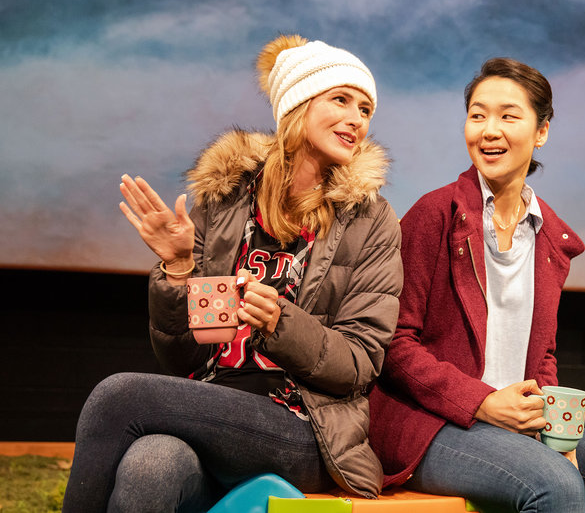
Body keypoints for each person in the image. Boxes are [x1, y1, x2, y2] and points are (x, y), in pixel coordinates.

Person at [62, 34, 402, 512]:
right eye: (341, 100)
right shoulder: (225, 201)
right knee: (152, 463)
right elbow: (180, 360)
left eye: (365, 109)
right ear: (297, 105)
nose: (357, 119)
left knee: (116, 397)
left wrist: (280, 323)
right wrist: (179, 268)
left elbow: (360, 365)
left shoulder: (370, 219)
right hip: (211, 403)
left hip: (305, 426)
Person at [368, 58, 585, 512]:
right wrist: (482, 402)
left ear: (542, 130)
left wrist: (557, 428)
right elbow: (394, 345)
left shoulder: (549, 234)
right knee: (556, 486)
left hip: (519, 424)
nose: (489, 130)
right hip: (434, 422)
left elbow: (542, 354)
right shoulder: (435, 214)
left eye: (508, 116)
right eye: (477, 114)